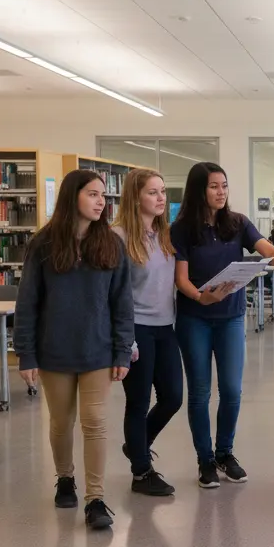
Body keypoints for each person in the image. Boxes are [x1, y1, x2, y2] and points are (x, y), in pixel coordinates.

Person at [172, 162, 274, 489]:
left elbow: (267, 250)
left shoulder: (238, 223)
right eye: (214, 186)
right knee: (200, 392)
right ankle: (205, 460)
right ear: (198, 190)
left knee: (232, 390)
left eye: (224, 186)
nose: (221, 192)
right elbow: (181, 280)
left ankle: (225, 453)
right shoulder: (182, 230)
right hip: (195, 319)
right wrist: (200, 297)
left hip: (230, 318)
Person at [15, 169, 134, 530]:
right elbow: (28, 302)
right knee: (61, 422)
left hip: (98, 350)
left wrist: (122, 350)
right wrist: (26, 352)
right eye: (93, 194)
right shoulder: (44, 244)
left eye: (103, 196)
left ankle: (95, 499)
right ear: (72, 197)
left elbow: (122, 302)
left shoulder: (112, 245)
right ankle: (65, 477)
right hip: (55, 351)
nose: (101, 202)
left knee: (95, 422)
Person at [114, 169, 182, 497]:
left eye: (163, 192)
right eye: (153, 192)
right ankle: (141, 472)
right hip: (136, 327)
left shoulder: (165, 235)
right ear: (135, 197)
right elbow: (113, 293)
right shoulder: (119, 237)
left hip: (165, 326)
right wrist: (124, 338)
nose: (160, 198)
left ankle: (137, 445)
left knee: (172, 397)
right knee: (138, 401)